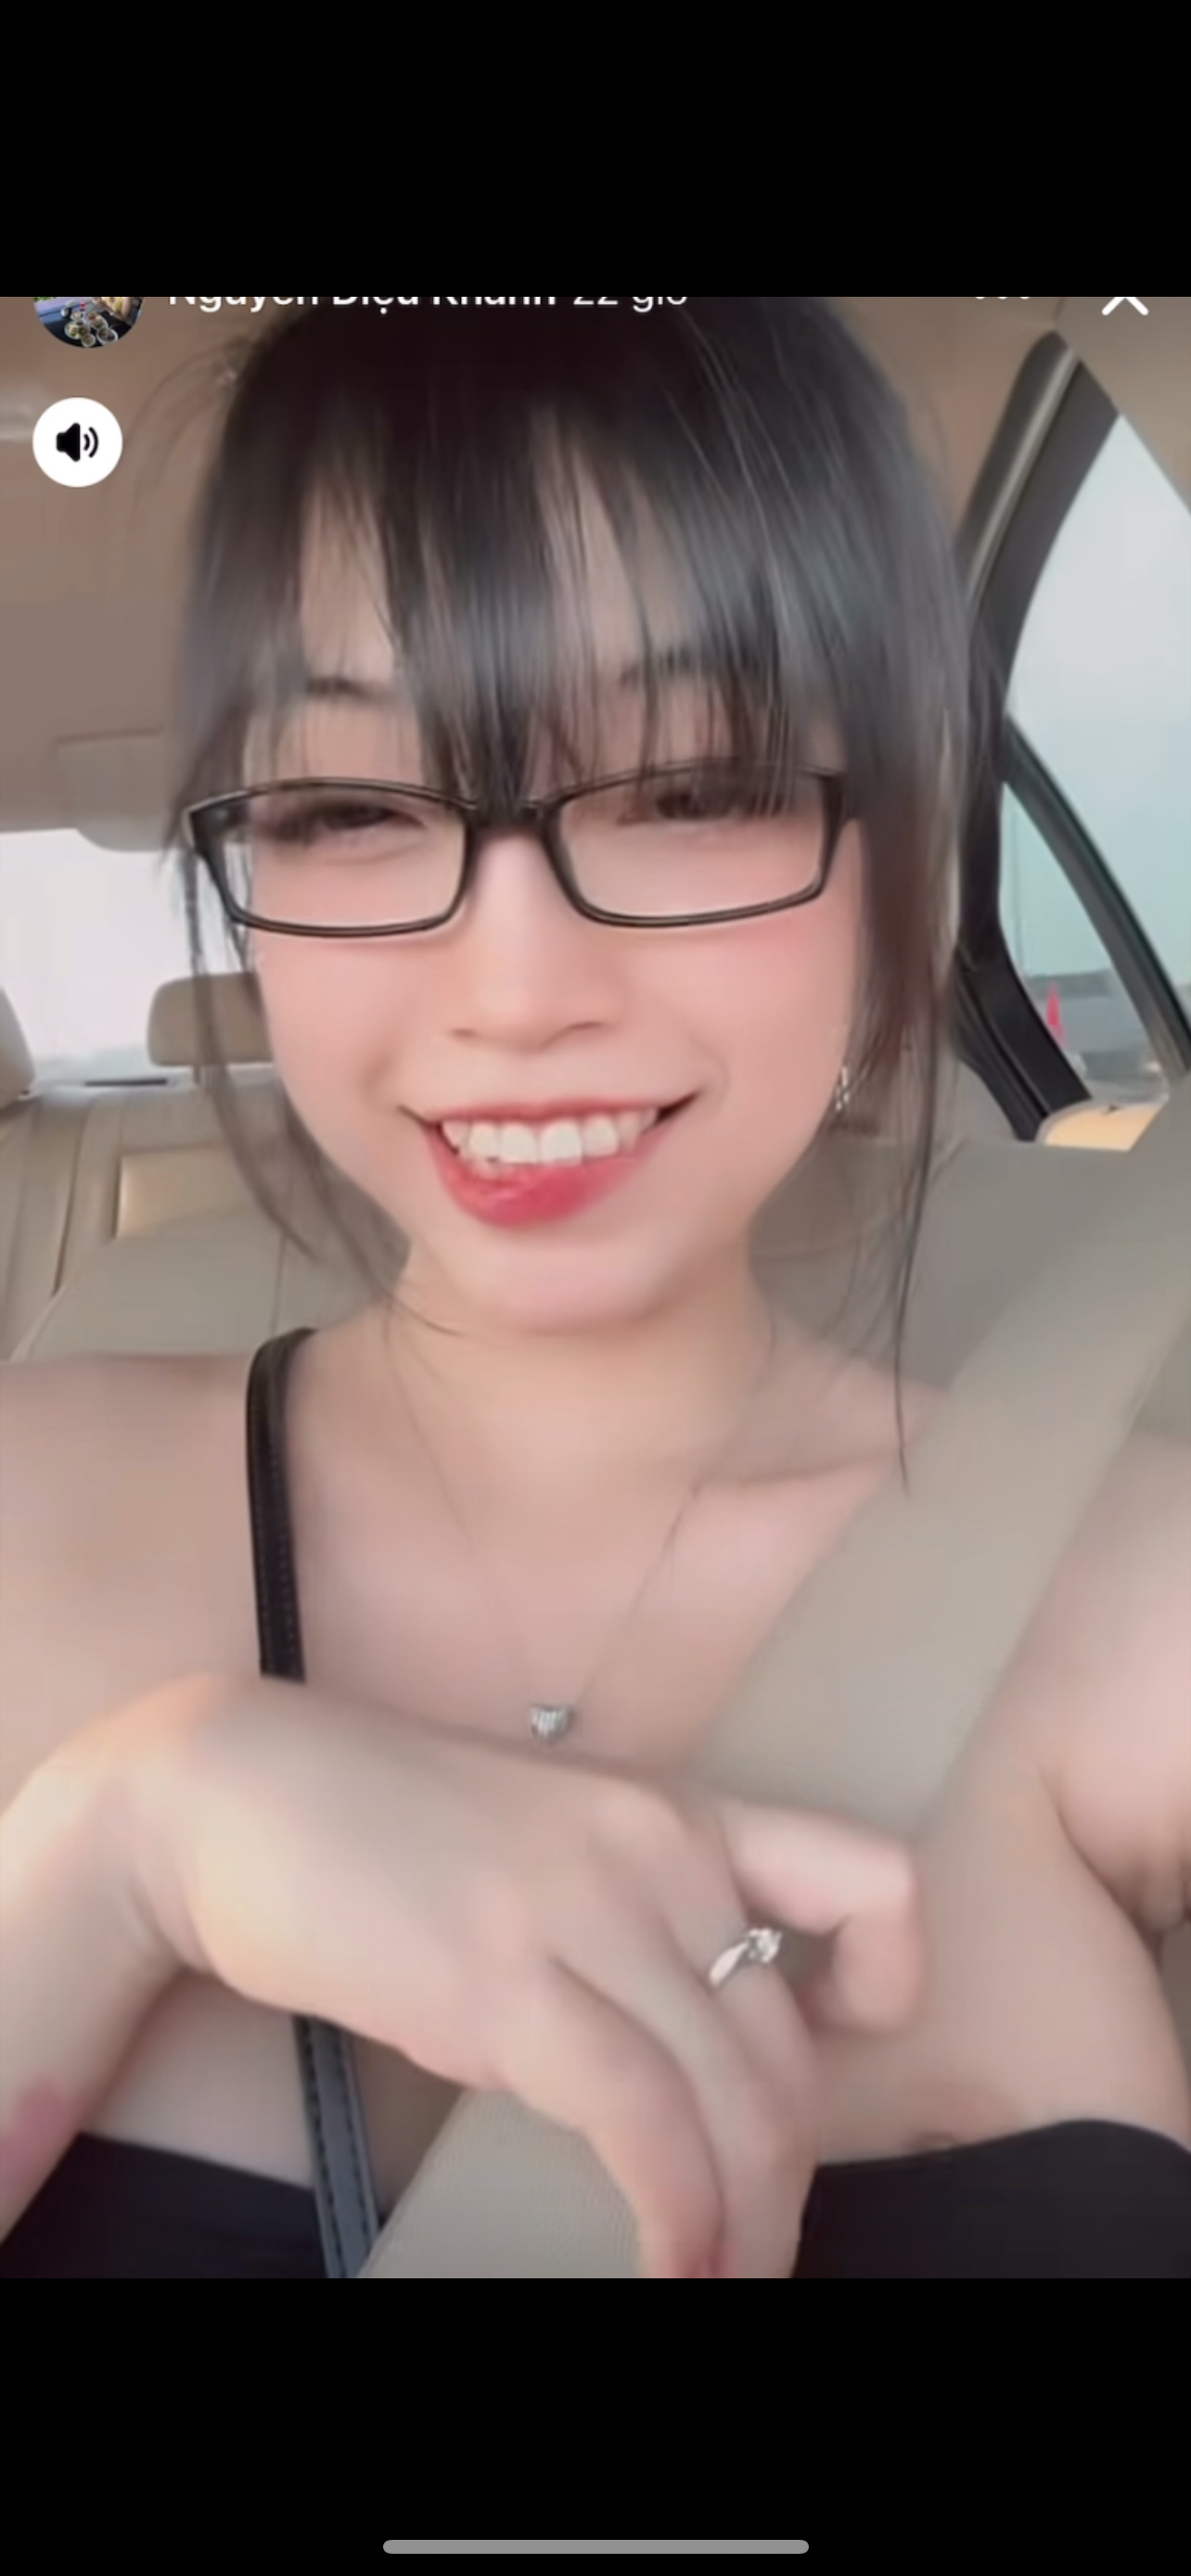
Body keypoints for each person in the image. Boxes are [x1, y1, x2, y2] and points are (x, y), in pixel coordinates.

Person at [2, 298, 1188, 2281]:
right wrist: (121, 1852)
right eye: (352, 810)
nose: (518, 989)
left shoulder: (1138, 1596)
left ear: (902, 850)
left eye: (693, 787)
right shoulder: (20, 1510)